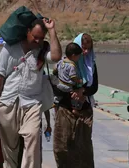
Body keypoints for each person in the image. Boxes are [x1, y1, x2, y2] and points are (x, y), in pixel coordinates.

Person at [0, 18, 62, 168]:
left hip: (31, 103)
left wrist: (51, 30)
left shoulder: (42, 51)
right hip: (8, 102)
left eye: (41, 38)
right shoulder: (10, 48)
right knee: (10, 147)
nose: (37, 41)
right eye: (35, 37)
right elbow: (0, 76)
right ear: (27, 32)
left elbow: (56, 57)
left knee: (32, 136)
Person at [53, 33, 98, 168]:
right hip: (65, 110)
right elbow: (57, 85)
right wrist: (71, 92)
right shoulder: (65, 65)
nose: (85, 52)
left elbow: (94, 86)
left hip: (85, 112)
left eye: (88, 49)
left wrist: (82, 91)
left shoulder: (91, 64)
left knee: (83, 148)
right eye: (82, 48)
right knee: (62, 146)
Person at [53, 42, 84, 112]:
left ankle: (56, 102)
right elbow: (73, 77)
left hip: (59, 84)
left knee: (58, 96)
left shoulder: (61, 61)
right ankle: (75, 106)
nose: (79, 58)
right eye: (78, 56)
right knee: (74, 94)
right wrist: (79, 81)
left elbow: (55, 70)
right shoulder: (71, 66)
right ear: (73, 56)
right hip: (68, 87)